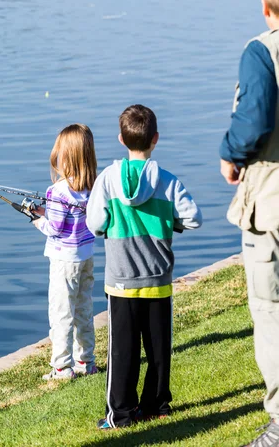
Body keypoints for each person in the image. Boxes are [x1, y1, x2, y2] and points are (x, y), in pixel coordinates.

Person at [86, 104, 202, 430]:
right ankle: (156, 406)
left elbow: (95, 223)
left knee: (122, 352)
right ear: (156, 139)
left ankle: (120, 415)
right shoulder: (168, 181)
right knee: (158, 350)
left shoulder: (108, 179)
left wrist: (110, 224)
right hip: (158, 280)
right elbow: (194, 218)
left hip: (121, 282)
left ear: (121, 139)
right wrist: (170, 223)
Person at [220, 0, 279, 446]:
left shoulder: (261, 51)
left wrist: (230, 153)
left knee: (270, 309)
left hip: (273, 203)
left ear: (265, 7)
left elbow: (254, 118)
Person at [32, 123, 98, 380]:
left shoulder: (57, 191)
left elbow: (55, 229)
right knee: (83, 308)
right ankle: (86, 361)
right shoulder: (93, 187)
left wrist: (37, 219)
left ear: (65, 157)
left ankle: (62, 366)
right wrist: (44, 212)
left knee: (61, 312)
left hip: (63, 260)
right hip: (86, 256)